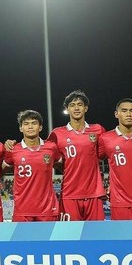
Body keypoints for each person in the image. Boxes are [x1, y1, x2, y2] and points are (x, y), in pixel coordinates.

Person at [46, 90, 106, 221]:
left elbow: (111, 150)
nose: (76, 108)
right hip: (69, 194)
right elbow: (44, 153)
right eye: (72, 105)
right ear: (67, 109)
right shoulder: (57, 133)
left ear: (86, 108)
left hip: (94, 194)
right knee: (69, 236)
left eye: (80, 104)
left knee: (96, 236)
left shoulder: (98, 130)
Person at [4, 110, 61, 222]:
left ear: (40, 127)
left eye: (34, 123)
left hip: (48, 209)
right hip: (22, 210)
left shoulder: (51, 147)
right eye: (26, 124)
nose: (30, 127)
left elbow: (62, 166)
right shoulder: (13, 149)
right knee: (22, 240)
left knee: (49, 239)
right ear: (21, 128)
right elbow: (0, 170)